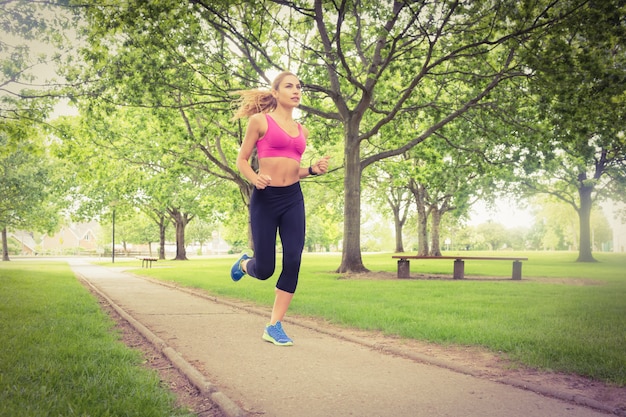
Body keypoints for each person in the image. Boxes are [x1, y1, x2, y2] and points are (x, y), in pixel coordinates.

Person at [230, 71, 330, 346]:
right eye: (289, 86)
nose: (296, 90)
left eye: (299, 86)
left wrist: (312, 169)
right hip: (265, 198)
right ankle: (243, 263)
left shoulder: (302, 132)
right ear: (275, 92)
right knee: (264, 270)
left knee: (294, 260)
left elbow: (291, 169)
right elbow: (242, 160)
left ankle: (274, 325)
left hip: (292, 198)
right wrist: (254, 178)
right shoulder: (260, 121)